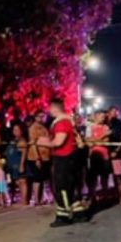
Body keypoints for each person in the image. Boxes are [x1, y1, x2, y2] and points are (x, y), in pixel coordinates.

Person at [38, 97, 84, 226]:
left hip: (64, 158)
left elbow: (58, 142)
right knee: (71, 186)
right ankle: (78, 213)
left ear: (54, 108)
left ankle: (63, 216)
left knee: (62, 187)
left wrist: (44, 142)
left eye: (49, 108)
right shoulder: (68, 120)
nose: (48, 111)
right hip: (69, 158)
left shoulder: (61, 122)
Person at [25, 111, 51, 206]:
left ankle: (42, 197)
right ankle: (36, 199)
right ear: (35, 117)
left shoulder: (44, 127)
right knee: (37, 178)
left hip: (46, 156)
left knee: (43, 178)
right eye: (40, 116)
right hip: (36, 157)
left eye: (43, 116)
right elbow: (33, 144)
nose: (42, 118)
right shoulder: (33, 128)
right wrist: (37, 158)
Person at [5, 123, 27, 206]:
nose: (15, 131)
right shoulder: (13, 140)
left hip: (19, 164)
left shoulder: (22, 141)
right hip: (13, 165)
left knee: (22, 181)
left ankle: (24, 200)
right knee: (17, 182)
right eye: (14, 130)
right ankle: (22, 199)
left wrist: (21, 165)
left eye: (17, 130)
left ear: (21, 131)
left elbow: (24, 154)